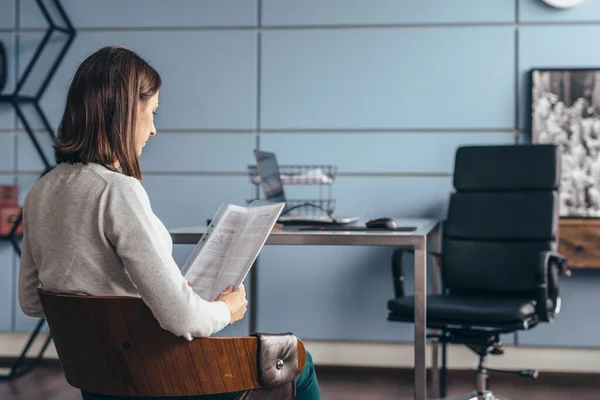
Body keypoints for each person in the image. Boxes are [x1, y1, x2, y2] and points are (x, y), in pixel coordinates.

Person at [17, 45, 321, 400]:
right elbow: (181, 319)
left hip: (98, 385)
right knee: (296, 357)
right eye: (153, 112)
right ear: (128, 111)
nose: (154, 130)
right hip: (160, 381)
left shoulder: (40, 192)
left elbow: (32, 302)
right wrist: (227, 309)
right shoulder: (117, 192)